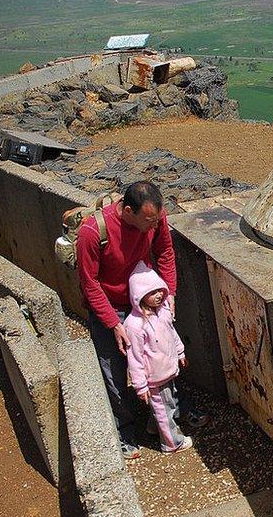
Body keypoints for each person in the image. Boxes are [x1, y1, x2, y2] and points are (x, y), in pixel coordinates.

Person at [77, 181, 206, 459]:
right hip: (110, 305)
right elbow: (90, 284)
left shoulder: (154, 220)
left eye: (156, 220)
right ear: (126, 211)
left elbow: (165, 253)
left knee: (161, 355)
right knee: (114, 367)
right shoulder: (92, 232)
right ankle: (124, 431)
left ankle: (172, 411)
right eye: (147, 221)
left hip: (145, 298)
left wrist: (169, 291)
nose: (153, 226)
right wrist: (113, 323)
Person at [124, 261, 192, 453]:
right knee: (165, 410)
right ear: (139, 296)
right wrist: (140, 385)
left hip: (167, 370)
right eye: (152, 293)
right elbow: (135, 359)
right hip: (154, 377)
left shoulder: (162, 312)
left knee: (164, 405)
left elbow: (172, 334)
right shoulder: (134, 325)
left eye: (160, 290)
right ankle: (172, 443)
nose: (159, 295)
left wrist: (180, 352)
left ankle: (153, 429)